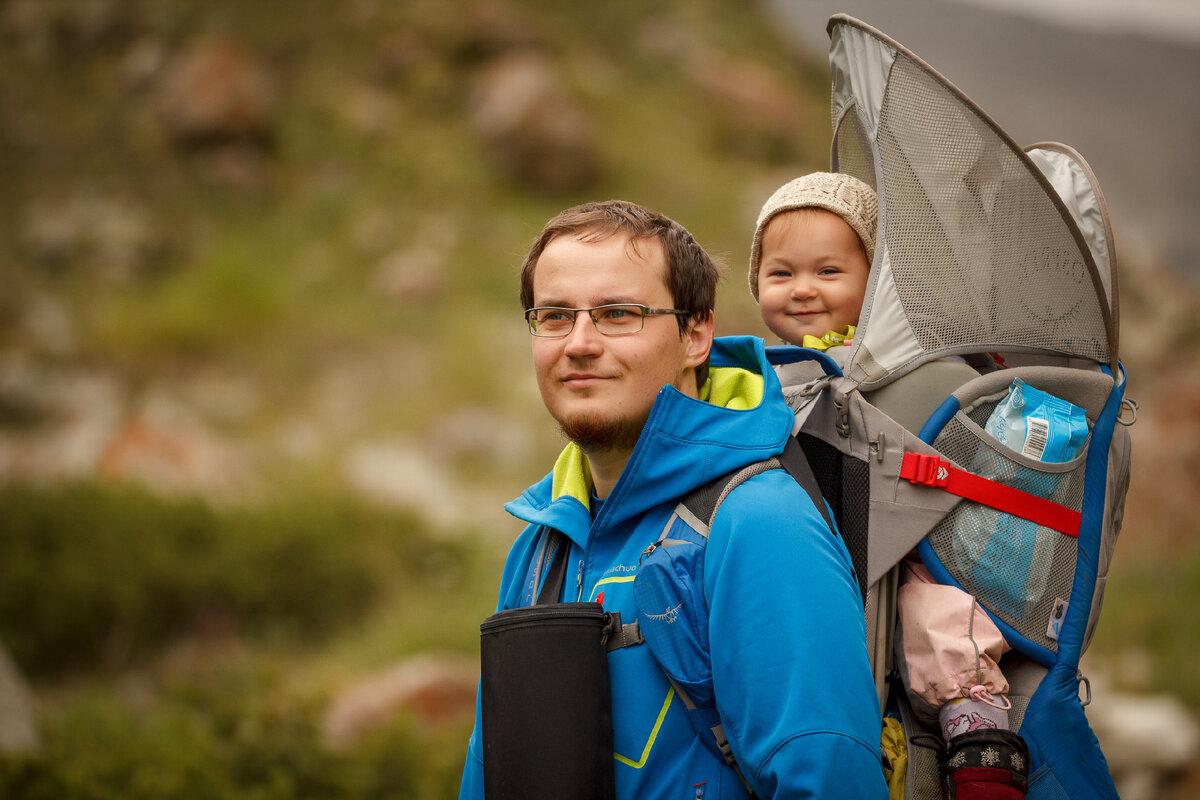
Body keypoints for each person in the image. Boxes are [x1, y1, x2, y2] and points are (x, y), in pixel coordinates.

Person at [458, 199, 887, 799]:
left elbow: (829, 779)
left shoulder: (758, 520)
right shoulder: (539, 548)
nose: (579, 343)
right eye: (554, 315)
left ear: (696, 334)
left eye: (618, 314)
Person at [747, 173, 1015, 758]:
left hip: (909, 544)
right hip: (809, 544)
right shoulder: (759, 372)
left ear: (877, 284)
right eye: (781, 273)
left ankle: (979, 740)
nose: (802, 290)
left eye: (828, 272)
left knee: (937, 620)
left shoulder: (885, 363)